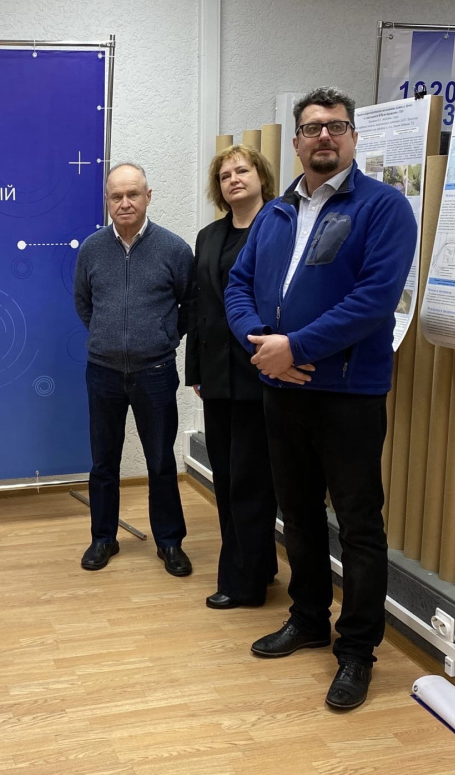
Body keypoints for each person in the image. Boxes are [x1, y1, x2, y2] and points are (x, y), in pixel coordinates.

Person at [225, 87, 417, 710]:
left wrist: (296, 347)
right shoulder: (278, 212)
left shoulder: (384, 207)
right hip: (281, 389)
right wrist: (260, 343)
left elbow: (374, 299)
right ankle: (308, 618)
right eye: (312, 128)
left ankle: (357, 650)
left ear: (353, 137)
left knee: (358, 524)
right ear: (297, 141)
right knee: (299, 512)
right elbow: (238, 285)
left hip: (348, 394)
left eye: (336, 126)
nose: (324, 137)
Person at [73, 162, 194, 576]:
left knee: (160, 461)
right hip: (102, 372)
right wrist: (107, 335)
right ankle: (103, 538)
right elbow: (83, 302)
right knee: (103, 462)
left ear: (148, 197)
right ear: (107, 200)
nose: (124, 203)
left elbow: (189, 304)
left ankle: (170, 542)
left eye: (132, 194)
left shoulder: (174, 249)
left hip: (155, 372)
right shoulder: (91, 248)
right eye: (116, 196)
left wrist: (162, 336)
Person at [185, 145, 278, 610]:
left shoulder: (279, 227)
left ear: (261, 177)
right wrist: (195, 371)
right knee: (226, 477)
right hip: (217, 378)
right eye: (225, 175)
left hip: (261, 373)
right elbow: (199, 307)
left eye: (243, 170)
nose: (234, 179)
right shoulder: (209, 235)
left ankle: (244, 583)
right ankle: (260, 566)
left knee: (251, 481)